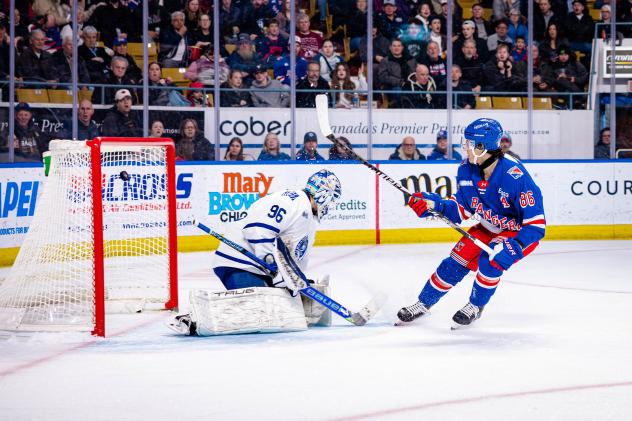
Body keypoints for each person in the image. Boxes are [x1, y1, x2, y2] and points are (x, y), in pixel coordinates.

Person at [397, 118, 546, 328]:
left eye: (468, 143)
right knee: (455, 262)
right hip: (486, 227)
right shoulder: (466, 169)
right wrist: (435, 204)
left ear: (481, 146)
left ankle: (475, 306)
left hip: (517, 233)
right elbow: (462, 208)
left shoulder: (515, 176)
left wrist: (516, 245)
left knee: (491, 259)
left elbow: (536, 225)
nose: (464, 147)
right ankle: (423, 303)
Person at [168, 169, 342, 336]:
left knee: (281, 314)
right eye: (331, 199)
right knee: (260, 312)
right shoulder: (292, 201)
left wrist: (299, 282)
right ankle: (195, 319)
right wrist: (276, 269)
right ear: (323, 193)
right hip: (239, 263)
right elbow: (257, 230)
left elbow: (293, 260)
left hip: (261, 270)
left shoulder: (309, 219)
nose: (330, 205)